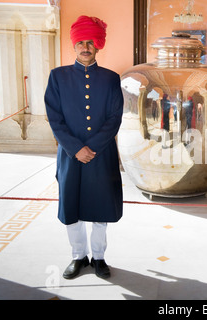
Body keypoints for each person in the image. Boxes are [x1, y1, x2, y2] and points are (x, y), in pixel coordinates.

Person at [44, 15, 124, 279]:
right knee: (72, 207)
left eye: (90, 42)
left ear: (98, 45)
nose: (86, 46)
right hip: (70, 155)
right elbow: (54, 117)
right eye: (81, 42)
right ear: (74, 45)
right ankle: (78, 256)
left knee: (100, 208)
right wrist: (75, 148)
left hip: (101, 156)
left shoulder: (111, 78)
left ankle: (99, 257)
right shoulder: (58, 77)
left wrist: (94, 147)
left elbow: (115, 117)